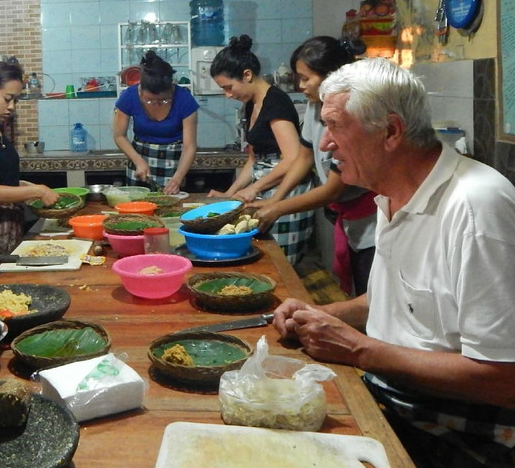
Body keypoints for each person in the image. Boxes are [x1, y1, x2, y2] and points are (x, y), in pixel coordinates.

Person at [273, 58, 515, 468]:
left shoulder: (478, 209)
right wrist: (322, 314)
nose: (325, 144)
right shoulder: (391, 192)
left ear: (391, 132)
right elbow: (396, 299)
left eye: (335, 127)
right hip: (395, 400)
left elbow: (508, 381)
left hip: (470, 439)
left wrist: (358, 349)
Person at [248, 36, 377, 295]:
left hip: (373, 220)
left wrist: (277, 209)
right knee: (354, 289)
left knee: (370, 293)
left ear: (331, 76)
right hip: (347, 217)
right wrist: (276, 197)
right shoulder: (314, 104)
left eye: (306, 78)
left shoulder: (353, 111)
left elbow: (333, 189)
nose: (300, 85)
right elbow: (304, 157)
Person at [208, 35, 314, 265]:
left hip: (288, 191)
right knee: (263, 258)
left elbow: (293, 157)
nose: (228, 94)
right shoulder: (250, 105)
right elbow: (253, 160)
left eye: (228, 87)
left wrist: (254, 187)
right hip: (266, 189)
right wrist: (230, 193)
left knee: (282, 265)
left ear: (247, 75)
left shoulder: (276, 101)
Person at [0, 61, 59, 256]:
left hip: (9, 230)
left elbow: (2, 178)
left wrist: (25, 186)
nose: (12, 107)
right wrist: (37, 190)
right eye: (7, 99)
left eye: (15, 100)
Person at [112, 49, 199, 193]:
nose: (156, 104)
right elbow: (119, 135)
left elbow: (189, 146)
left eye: (163, 100)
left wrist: (177, 179)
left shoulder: (185, 100)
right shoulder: (129, 96)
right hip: (139, 159)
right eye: (150, 100)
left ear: (171, 88)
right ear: (141, 89)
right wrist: (138, 161)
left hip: (175, 165)